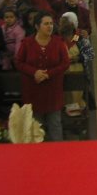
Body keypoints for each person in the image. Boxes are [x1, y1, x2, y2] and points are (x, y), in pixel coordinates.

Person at [15, 11, 70, 141]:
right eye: (46, 24)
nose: (50, 26)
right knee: (35, 125)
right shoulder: (27, 42)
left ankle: (58, 154)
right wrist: (34, 72)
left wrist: (48, 74)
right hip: (33, 90)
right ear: (37, 26)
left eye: (51, 23)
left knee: (55, 124)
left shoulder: (58, 42)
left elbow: (65, 63)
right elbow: (18, 62)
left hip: (53, 90)